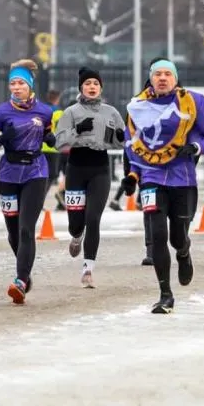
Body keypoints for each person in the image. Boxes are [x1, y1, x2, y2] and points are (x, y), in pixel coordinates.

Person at [122, 59, 204, 314]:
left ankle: (184, 252)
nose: (162, 78)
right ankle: (165, 294)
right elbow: (134, 148)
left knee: (177, 236)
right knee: (158, 235)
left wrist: (196, 147)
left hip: (182, 178)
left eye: (168, 74)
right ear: (150, 78)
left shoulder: (191, 102)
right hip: (151, 179)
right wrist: (132, 176)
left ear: (175, 78)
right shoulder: (137, 107)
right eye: (157, 74)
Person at [0, 61, 53, 302]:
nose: (16, 87)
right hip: (8, 175)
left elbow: (48, 135)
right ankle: (26, 272)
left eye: (21, 83)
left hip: (35, 171)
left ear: (30, 86)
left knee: (26, 228)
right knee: (13, 233)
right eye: (12, 83)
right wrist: (1, 138)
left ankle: (20, 279)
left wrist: (51, 137)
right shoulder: (1, 112)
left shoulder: (44, 111)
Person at [54, 66, 126, 288]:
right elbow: (59, 142)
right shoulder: (70, 112)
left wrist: (121, 137)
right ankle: (76, 236)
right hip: (76, 168)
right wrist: (77, 131)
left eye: (95, 84)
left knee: (93, 218)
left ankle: (88, 269)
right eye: (87, 84)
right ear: (81, 88)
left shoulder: (111, 112)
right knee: (76, 223)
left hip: (100, 169)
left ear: (100, 87)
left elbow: (120, 142)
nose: (92, 87)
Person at [42, 88, 66, 209]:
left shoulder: (41, 111)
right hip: (53, 149)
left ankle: (37, 200)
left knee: (41, 175)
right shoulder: (59, 113)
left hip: (40, 147)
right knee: (52, 175)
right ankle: (39, 201)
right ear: (57, 98)